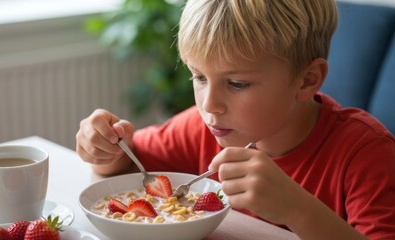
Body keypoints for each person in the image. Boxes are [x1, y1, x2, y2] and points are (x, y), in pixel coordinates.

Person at [75, 0, 395, 239]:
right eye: (199, 77)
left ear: (308, 80)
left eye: (237, 83)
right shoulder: (204, 129)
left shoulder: (366, 153)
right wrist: (107, 150)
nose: (209, 104)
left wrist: (297, 209)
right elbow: (132, 170)